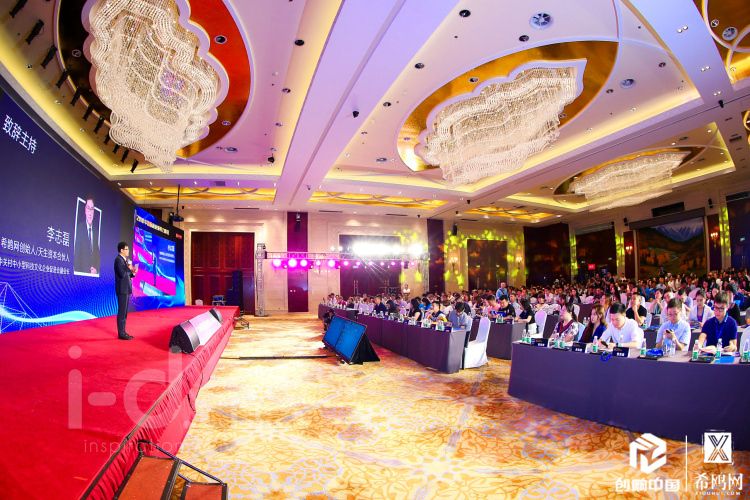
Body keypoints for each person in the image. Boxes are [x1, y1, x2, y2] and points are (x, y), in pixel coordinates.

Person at [114, 241, 137, 340]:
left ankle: (123, 332)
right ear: (121, 250)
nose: (128, 251)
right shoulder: (118, 260)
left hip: (126, 289)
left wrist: (133, 273)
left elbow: (128, 275)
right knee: (122, 312)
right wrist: (129, 268)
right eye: (126, 249)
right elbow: (122, 274)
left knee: (125, 312)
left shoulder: (124, 260)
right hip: (122, 289)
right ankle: (121, 333)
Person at [74, 195, 101, 276]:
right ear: (85, 210)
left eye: (92, 209)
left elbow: (97, 254)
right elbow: (76, 256)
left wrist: (96, 269)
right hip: (81, 275)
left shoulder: (96, 231)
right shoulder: (79, 228)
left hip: (93, 276)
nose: (90, 212)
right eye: (88, 208)